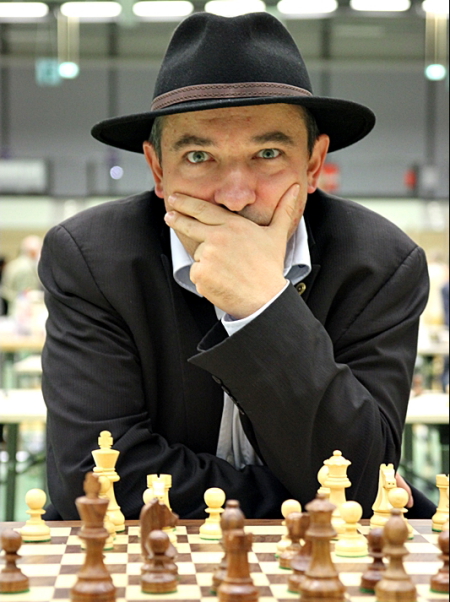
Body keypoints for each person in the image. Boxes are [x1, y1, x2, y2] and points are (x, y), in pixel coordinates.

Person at [39, 12, 432, 521]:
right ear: (158, 169)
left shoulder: (381, 264)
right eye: (198, 156)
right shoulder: (91, 260)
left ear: (314, 164)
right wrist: (302, 500)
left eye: (267, 153)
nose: (235, 195)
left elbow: (358, 480)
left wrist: (262, 305)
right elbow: (96, 483)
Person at [2, 235, 42, 316]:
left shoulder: (14, 264)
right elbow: (25, 295)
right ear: (33, 252)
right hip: (21, 313)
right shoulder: (25, 269)